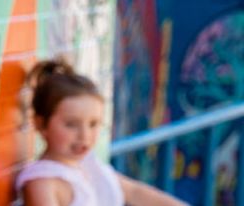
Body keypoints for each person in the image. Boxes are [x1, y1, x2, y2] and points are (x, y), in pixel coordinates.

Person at [16, 59, 186, 206]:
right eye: (71, 125)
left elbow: (135, 192)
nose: (85, 135)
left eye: (93, 124)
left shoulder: (87, 165)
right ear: (41, 124)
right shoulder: (43, 182)